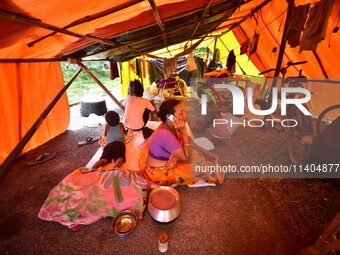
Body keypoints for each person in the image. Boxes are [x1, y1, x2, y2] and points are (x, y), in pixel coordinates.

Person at [139, 99, 223, 186]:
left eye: (184, 112)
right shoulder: (165, 134)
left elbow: (189, 142)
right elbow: (187, 160)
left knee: (196, 154)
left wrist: (207, 153)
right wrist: (184, 132)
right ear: (169, 117)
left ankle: (212, 168)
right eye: (181, 113)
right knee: (202, 169)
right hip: (160, 174)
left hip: (170, 162)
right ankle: (214, 171)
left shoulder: (170, 126)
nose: (185, 115)